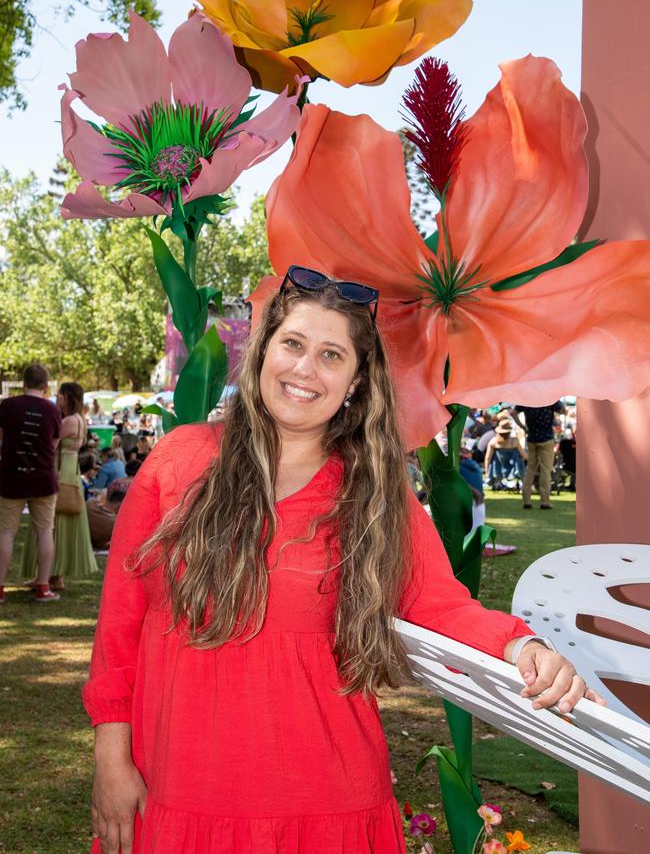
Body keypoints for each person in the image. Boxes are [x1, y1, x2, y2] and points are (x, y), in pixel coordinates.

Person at [85, 267, 603, 854]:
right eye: (293, 344)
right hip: (179, 784)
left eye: (332, 355)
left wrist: (519, 645)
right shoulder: (179, 461)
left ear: (356, 382)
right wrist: (111, 754)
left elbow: (438, 605)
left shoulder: (375, 492)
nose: (305, 369)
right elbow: (120, 623)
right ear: (263, 353)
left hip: (323, 798)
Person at [20, 381, 98, 591]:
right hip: (71, 473)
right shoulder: (81, 419)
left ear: (68, 397)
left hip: (60, 471)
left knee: (50, 525)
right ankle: (55, 575)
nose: (57, 398)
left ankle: (47, 576)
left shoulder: (69, 421)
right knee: (60, 526)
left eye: (61, 395)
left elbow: (50, 444)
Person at [0, 363, 62, 603]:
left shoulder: (7, 406)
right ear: (46, 386)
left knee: (6, 532)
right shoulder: (53, 410)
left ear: (24, 383)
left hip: (11, 477)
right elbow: (54, 444)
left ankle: (1, 587)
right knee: (45, 532)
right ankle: (43, 586)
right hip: (43, 479)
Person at [512, 402, 564, 510]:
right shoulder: (549, 398)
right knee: (546, 470)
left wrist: (523, 427)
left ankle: (526, 500)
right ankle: (545, 501)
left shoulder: (527, 398)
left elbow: (513, 413)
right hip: (546, 438)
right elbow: (563, 410)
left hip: (532, 438)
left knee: (530, 470)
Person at [483, 419, 527, 490]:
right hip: (514, 468)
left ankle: (497, 483)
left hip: (498, 468)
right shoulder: (514, 441)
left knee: (494, 458)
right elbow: (524, 456)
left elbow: (488, 458)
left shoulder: (493, 442)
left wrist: (487, 472)